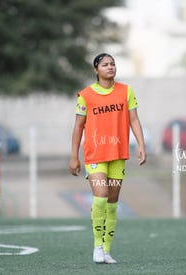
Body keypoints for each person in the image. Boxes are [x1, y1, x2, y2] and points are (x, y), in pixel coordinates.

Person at [69, 53, 147, 264]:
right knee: (101, 195)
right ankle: (97, 246)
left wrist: (141, 144)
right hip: (95, 154)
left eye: (113, 64)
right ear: (96, 70)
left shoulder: (126, 91)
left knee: (112, 203)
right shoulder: (85, 95)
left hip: (118, 154)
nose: (110, 67)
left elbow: (134, 119)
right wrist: (74, 156)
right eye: (105, 64)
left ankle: (106, 250)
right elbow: (78, 126)